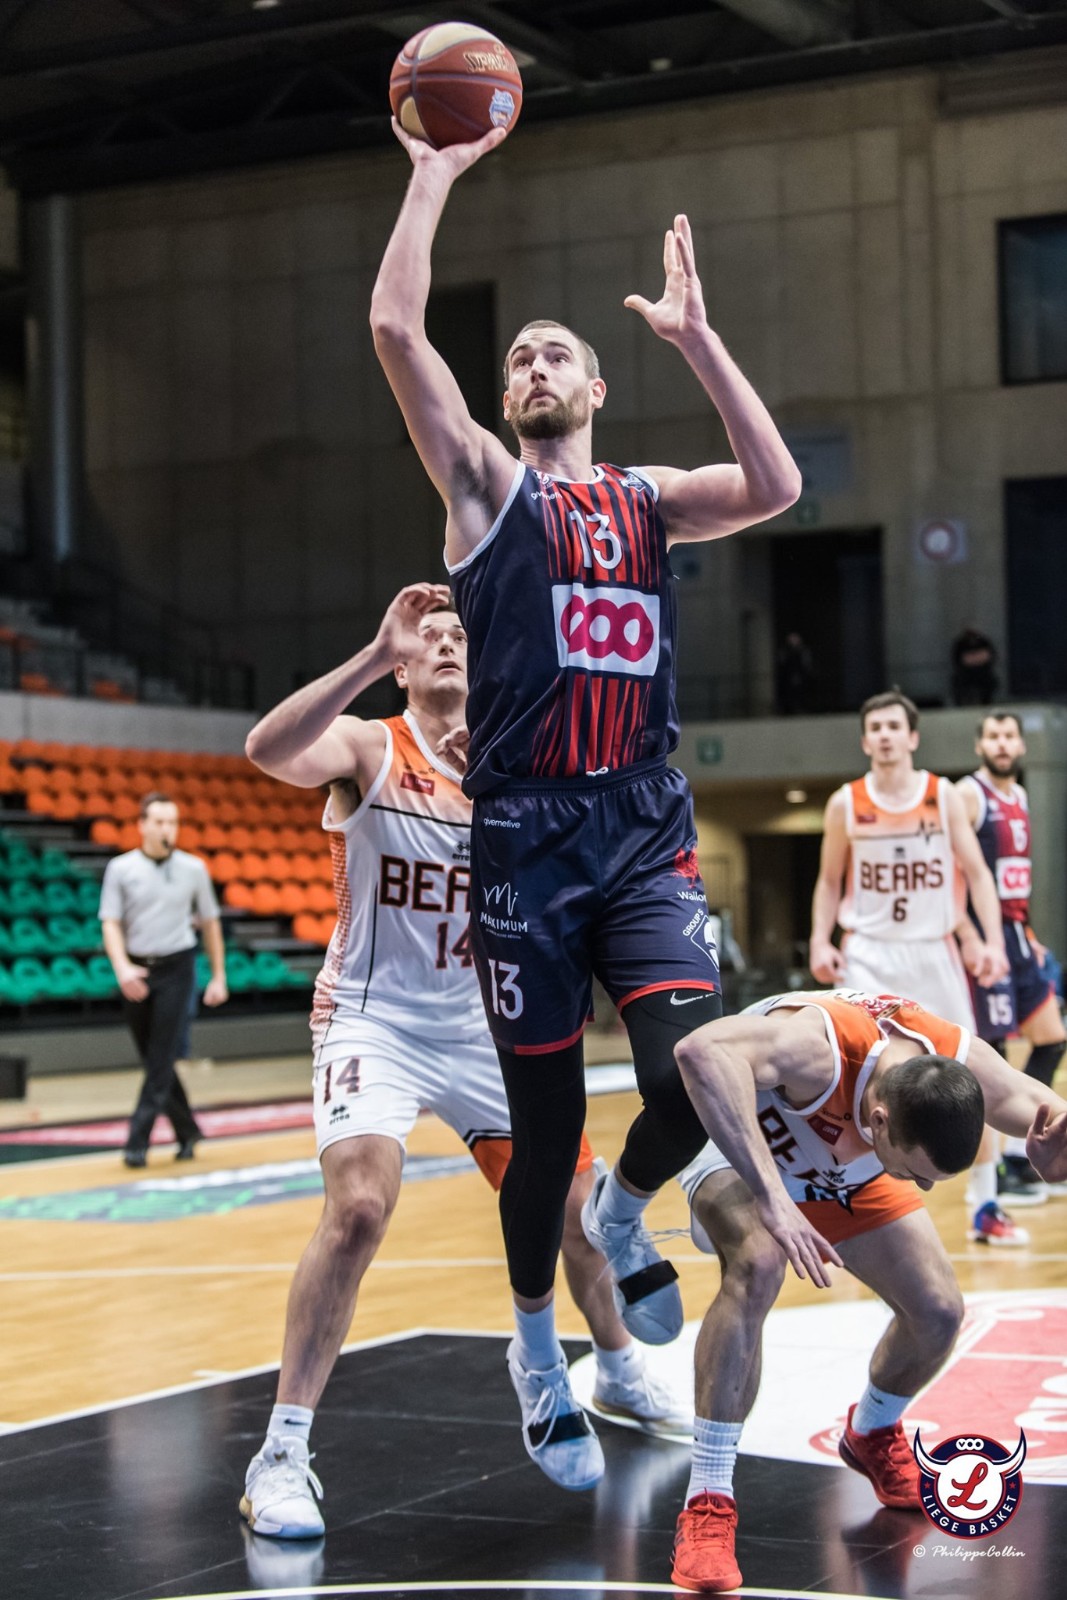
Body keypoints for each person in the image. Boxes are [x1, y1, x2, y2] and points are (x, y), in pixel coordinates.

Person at [370, 122, 802, 1484]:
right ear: (503, 399)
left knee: (693, 1066)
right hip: (524, 842)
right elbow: (393, 328)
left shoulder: (646, 499)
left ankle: (626, 1214)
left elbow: (778, 485)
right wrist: (432, 174)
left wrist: (698, 341)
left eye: (555, 353)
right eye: (517, 359)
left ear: (597, 385)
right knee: (541, 1136)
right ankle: (534, 1350)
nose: (533, 367)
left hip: (640, 825)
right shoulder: (484, 491)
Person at [239, 584, 685, 1539]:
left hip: (485, 1023)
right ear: (404, 666)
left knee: (574, 1208)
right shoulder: (370, 747)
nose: (445, 642)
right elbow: (267, 751)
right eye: (427, 636)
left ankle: (615, 1368)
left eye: (459, 635)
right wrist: (372, 653)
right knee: (359, 1207)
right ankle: (279, 1453)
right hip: (376, 1021)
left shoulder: (517, 766)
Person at [668, 987, 1067, 1592]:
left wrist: (1060, 1151)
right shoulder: (818, 1049)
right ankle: (708, 1501)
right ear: (880, 1121)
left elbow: (1041, 1108)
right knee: (759, 1263)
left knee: (937, 1310)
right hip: (744, 1146)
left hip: (839, 1167)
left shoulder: (952, 1057)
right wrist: (774, 1198)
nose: (923, 1191)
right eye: (916, 1173)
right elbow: (699, 1051)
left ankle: (872, 1433)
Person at [808, 690, 1017, 1243]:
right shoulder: (845, 803)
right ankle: (852, 1203)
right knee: (855, 1085)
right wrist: (820, 939)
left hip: (932, 949)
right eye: (875, 727)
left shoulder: (942, 796)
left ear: (912, 736)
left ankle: (986, 1203)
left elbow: (977, 874)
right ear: (865, 740)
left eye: (893, 726)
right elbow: (829, 881)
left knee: (971, 1075)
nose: (884, 735)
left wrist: (992, 942)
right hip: (869, 952)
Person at [956, 710, 1067, 1204]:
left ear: (1021, 746)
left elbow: (1014, 877)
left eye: (1009, 736)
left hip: (1018, 934)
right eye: (993, 736)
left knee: (1052, 1039)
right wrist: (968, 934)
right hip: (985, 937)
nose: (1002, 744)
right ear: (979, 745)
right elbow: (953, 871)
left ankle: (1025, 1154)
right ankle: (992, 1172)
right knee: (993, 1056)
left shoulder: (1019, 795)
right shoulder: (967, 794)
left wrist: (1029, 932)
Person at [99, 792, 228, 1167]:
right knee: (154, 1057)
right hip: (137, 967)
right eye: (158, 822)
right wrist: (122, 967)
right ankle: (187, 1130)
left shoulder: (194, 869)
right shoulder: (121, 869)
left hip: (178, 968)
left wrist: (219, 976)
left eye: (172, 822)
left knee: (160, 1055)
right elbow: (110, 922)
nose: (166, 829)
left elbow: (210, 923)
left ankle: (136, 1139)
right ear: (142, 825)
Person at [951, 623, 998, 707]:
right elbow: (959, 660)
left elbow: (989, 656)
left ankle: (986, 702)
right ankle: (961, 704)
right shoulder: (960, 643)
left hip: (982, 671)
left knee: (990, 681)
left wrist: (974, 658)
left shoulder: (984, 642)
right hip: (966, 672)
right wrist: (976, 658)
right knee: (957, 682)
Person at [775, 631, 816, 715]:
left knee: (801, 693)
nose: (793, 641)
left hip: (801, 676)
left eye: (795, 639)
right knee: (788, 693)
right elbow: (781, 664)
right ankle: (788, 709)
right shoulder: (785, 651)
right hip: (787, 677)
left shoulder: (803, 650)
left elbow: (807, 664)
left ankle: (801, 708)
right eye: (791, 639)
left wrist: (807, 674)